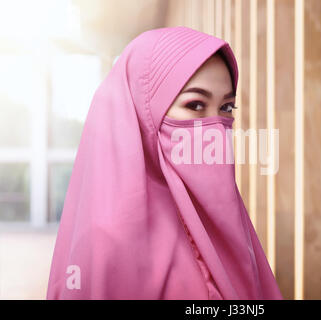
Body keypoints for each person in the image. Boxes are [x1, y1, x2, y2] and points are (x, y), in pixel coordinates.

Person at [46, 26, 283, 300]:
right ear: (144, 113)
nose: (216, 128)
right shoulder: (105, 245)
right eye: (195, 105)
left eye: (226, 108)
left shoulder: (223, 220)